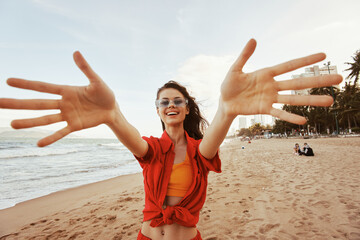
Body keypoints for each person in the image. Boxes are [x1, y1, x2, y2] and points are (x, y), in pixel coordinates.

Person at [0, 39, 341, 239]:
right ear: (158, 110)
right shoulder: (151, 149)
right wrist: (111, 114)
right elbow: (134, 140)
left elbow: (215, 133)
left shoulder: (199, 150)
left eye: (177, 100)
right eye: (164, 101)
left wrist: (229, 107)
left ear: (187, 106)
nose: (171, 104)